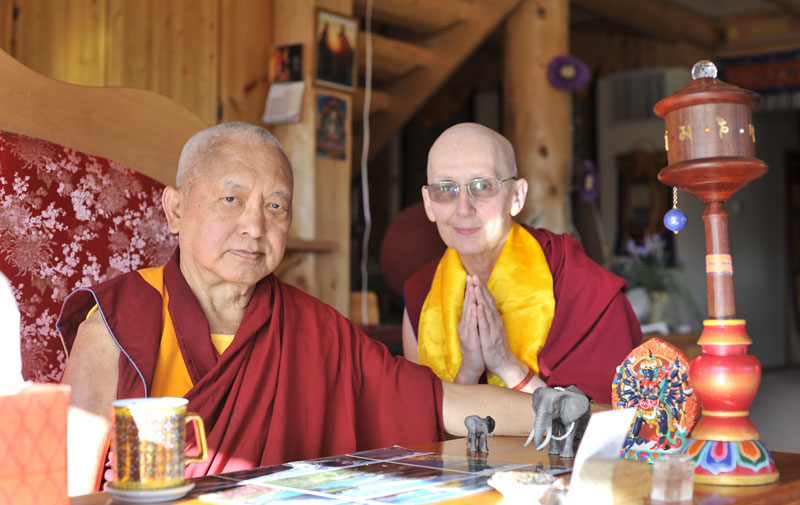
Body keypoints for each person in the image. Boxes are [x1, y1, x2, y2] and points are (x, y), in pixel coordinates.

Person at [58, 122, 535, 496]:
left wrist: (590, 415)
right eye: (231, 199)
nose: (255, 226)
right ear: (177, 210)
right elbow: (64, 488)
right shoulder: (117, 327)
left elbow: (437, 402)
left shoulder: (311, 327)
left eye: (276, 207)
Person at [403, 123, 641, 404]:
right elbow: (425, 428)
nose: (463, 208)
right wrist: (468, 370)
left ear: (516, 197)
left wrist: (506, 364)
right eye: (445, 188)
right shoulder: (421, 294)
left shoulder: (572, 277)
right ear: (429, 204)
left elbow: (604, 422)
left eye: (482, 186)